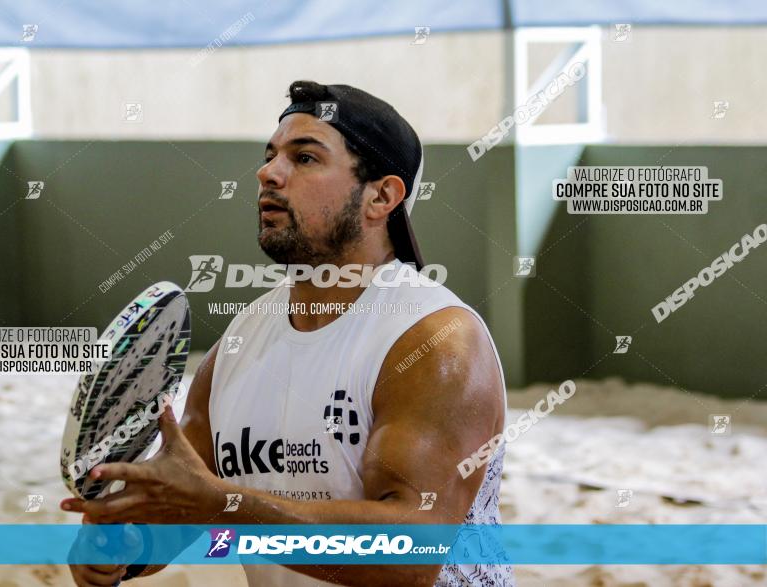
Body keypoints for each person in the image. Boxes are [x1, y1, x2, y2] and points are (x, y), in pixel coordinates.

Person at [64, 80, 513, 586]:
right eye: (271, 154)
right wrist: (126, 549)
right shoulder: (240, 342)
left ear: (381, 196)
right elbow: (183, 505)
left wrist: (220, 505)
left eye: (304, 158)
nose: (268, 172)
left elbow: (411, 555)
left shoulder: (435, 341)